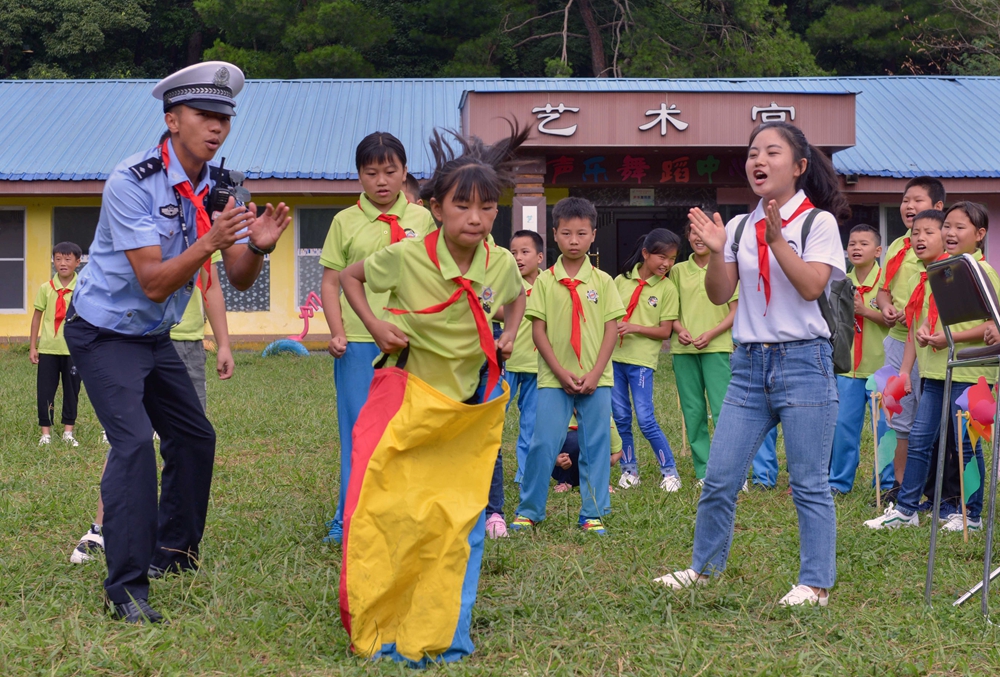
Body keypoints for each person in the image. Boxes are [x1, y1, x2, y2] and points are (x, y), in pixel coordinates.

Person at [63, 61, 290, 623]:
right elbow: (155, 279)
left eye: (224, 118)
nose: (216, 128)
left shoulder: (223, 186)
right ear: (172, 119)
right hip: (102, 332)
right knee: (135, 444)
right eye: (204, 115)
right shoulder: (131, 182)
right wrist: (213, 239)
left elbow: (235, 276)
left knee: (194, 436)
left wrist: (255, 247)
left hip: (152, 333)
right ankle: (127, 590)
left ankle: (175, 553)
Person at [338, 125, 527, 664]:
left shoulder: (501, 263)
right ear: (435, 207)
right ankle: (387, 624)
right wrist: (375, 325)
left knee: (457, 524)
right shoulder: (405, 256)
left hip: (465, 413)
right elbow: (349, 279)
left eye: (487, 207)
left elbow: (513, 301)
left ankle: (446, 632)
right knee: (398, 516)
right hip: (407, 403)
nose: (476, 217)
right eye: (462, 204)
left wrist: (509, 333)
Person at [655, 121, 849, 607]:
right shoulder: (739, 227)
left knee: (808, 483)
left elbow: (811, 287)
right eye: (752, 153)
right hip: (747, 366)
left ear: (799, 167)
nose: (758, 162)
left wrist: (779, 240)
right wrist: (720, 252)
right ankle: (703, 569)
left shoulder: (817, 223)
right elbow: (722, 294)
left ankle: (815, 584)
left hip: (804, 363)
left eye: (772, 153)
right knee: (719, 477)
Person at [69, 256, 232, 564]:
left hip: (187, 344)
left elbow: (210, 284)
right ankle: (102, 528)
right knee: (131, 437)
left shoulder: (201, 220)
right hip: (135, 337)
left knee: (188, 441)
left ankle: (173, 545)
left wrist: (223, 342)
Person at [319, 132, 437, 544]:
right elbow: (331, 282)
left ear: (405, 173)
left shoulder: (422, 220)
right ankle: (346, 518)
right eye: (372, 173)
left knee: (408, 430)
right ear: (359, 177)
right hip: (358, 340)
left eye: (390, 171)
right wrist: (336, 331)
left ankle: (402, 515)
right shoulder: (344, 222)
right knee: (357, 430)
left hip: (413, 343)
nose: (382, 181)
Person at [866, 204, 996, 532]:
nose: (950, 233)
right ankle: (907, 509)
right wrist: (921, 342)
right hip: (937, 371)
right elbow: (921, 323)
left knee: (965, 443)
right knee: (921, 439)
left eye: (959, 228)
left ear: (979, 236)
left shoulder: (982, 272)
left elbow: (992, 325)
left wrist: (947, 337)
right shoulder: (941, 271)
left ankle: (972, 514)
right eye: (948, 227)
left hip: (971, 372)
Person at [511, 197, 625, 536]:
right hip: (552, 378)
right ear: (555, 236)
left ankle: (592, 511)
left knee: (596, 445)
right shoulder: (544, 282)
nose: (573, 240)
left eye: (581, 233)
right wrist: (560, 372)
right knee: (542, 443)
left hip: (596, 378)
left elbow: (610, 330)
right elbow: (538, 330)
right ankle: (530, 509)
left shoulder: (604, 282)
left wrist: (595, 373)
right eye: (566, 233)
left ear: (593, 235)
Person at [672, 223, 778, 489]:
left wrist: (711, 333)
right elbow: (669, 310)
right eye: (693, 232)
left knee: (724, 412)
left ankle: (733, 473)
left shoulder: (725, 267)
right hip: (683, 350)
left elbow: (734, 310)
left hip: (717, 347)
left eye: (703, 232)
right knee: (693, 412)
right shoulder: (677, 271)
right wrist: (680, 329)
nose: (698, 238)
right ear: (687, 236)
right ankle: (704, 472)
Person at [874, 177, 946, 500]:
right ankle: (901, 484)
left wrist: (915, 314)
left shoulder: (939, 251)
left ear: (938, 209)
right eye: (905, 200)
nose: (908, 206)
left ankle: (934, 488)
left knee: (929, 419)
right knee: (899, 415)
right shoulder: (897, 246)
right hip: (896, 342)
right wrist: (887, 307)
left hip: (928, 344)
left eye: (917, 200)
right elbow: (882, 291)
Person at [484, 229, 545, 539]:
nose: (518, 258)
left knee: (531, 426)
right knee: (494, 418)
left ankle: (523, 475)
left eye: (524, 252)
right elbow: (490, 309)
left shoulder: (549, 284)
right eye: (514, 252)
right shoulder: (506, 282)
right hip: (507, 363)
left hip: (538, 366)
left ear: (540, 257)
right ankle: (487, 471)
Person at [611, 228, 681, 492]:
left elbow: (665, 331)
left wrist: (634, 327)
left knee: (645, 418)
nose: (666, 263)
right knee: (620, 417)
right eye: (661, 256)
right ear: (645, 254)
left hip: (641, 362)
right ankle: (629, 470)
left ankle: (669, 471)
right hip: (614, 359)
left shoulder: (667, 289)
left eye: (672, 258)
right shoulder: (620, 281)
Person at [829, 224, 893, 494]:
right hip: (847, 370)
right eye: (852, 243)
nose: (856, 247)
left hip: (881, 368)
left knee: (885, 430)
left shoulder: (888, 284)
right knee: (843, 426)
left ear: (878, 251)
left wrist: (865, 311)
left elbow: (895, 322)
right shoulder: (842, 282)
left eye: (864, 243)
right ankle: (839, 483)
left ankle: (887, 484)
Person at [29, 242, 83, 447]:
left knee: (72, 391)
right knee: (45, 390)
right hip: (49, 349)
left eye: (68, 259)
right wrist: (33, 346)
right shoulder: (46, 289)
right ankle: (46, 433)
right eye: (58, 259)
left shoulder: (83, 289)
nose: (62, 263)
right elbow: (36, 318)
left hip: (74, 350)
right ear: (53, 261)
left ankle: (68, 432)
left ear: (78, 262)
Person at [553, 416, 624, 492]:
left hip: (593, 466)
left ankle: (599, 483)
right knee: (574, 439)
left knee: (598, 439)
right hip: (563, 467)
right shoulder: (560, 414)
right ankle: (565, 481)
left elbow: (618, 452)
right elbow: (545, 450)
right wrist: (556, 460)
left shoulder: (604, 416)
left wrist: (610, 460)